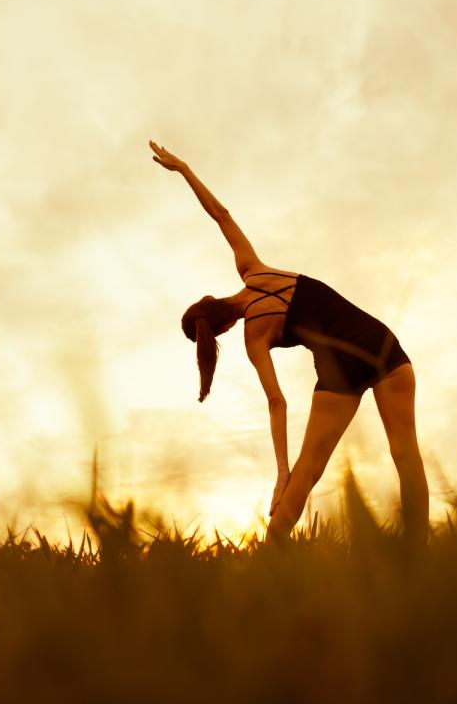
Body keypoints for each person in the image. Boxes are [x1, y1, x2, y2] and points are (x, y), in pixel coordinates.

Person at [150, 140, 429, 544]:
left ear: (218, 332)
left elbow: (277, 402)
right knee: (406, 454)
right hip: (381, 341)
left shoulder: (253, 336)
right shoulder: (254, 270)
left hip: (339, 370)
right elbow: (221, 216)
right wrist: (185, 169)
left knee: (307, 473)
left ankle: (268, 560)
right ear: (210, 300)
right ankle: (420, 550)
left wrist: (282, 470)